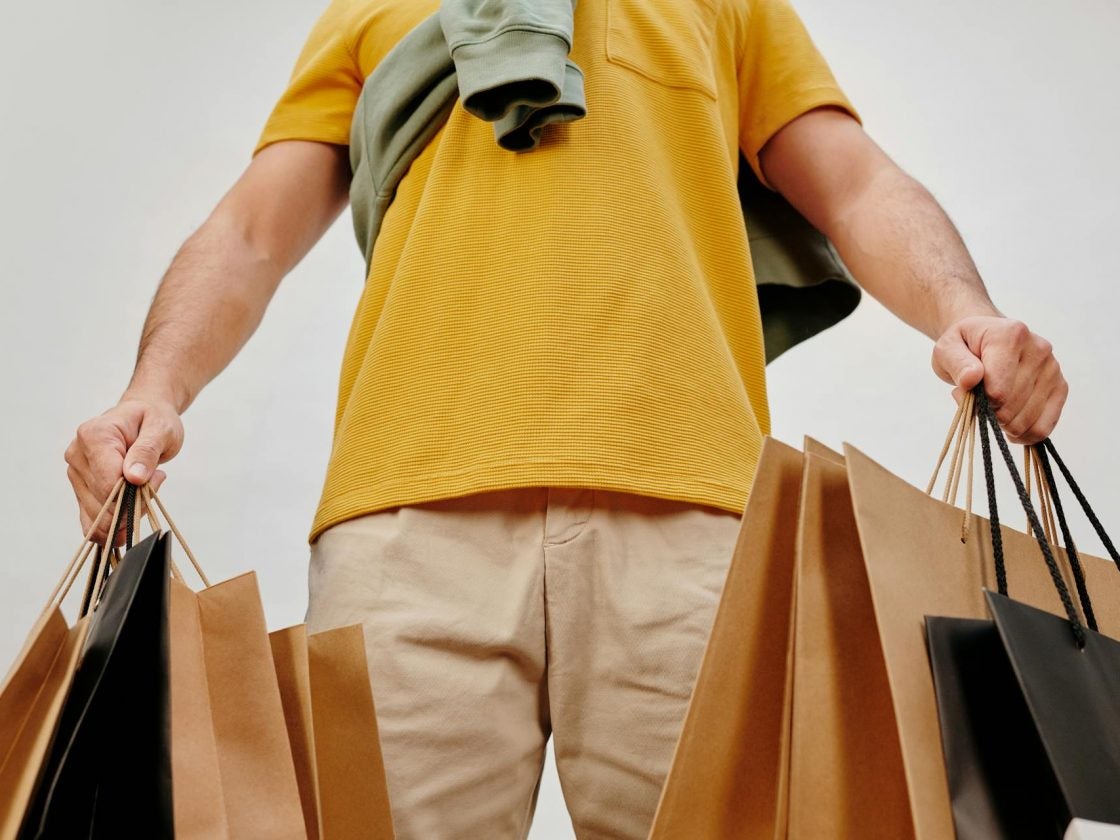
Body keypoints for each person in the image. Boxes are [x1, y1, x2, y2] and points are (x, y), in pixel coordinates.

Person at [63, 0, 1068, 837]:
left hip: (691, 515)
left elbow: (854, 183)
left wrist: (967, 312)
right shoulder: (370, 6)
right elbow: (251, 232)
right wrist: (154, 389)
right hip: (406, 524)